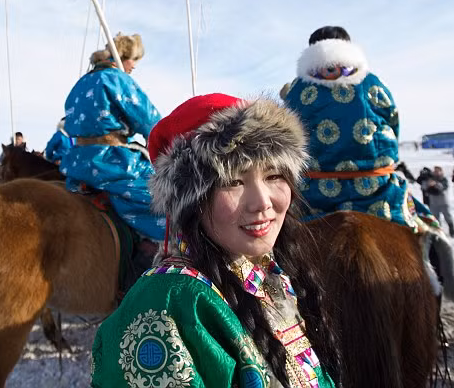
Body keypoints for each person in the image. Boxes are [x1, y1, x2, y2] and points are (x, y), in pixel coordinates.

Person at [91, 93, 336, 387]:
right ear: (189, 200)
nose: (262, 203)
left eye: (273, 176)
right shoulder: (168, 303)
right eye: (233, 181)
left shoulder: (270, 273)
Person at [280, 26, 435, 231]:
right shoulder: (372, 82)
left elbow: (286, 138)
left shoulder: (296, 90)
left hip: (313, 196)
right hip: (377, 191)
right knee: (428, 228)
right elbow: (392, 123)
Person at [60, 33, 163, 242]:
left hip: (77, 164)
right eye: (134, 60)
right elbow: (151, 122)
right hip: (112, 163)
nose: (134, 66)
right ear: (123, 57)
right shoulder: (117, 79)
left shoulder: (80, 83)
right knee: (166, 203)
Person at [424, 165, 454, 237]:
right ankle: (438, 232)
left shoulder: (443, 179)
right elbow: (425, 188)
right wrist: (428, 184)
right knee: (435, 218)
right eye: (435, 171)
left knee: (447, 216)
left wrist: (435, 184)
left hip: (443, 202)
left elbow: (443, 187)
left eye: (438, 171)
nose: (436, 173)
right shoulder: (429, 179)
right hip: (433, 202)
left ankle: (452, 229)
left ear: (441, 172)